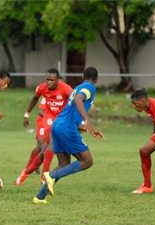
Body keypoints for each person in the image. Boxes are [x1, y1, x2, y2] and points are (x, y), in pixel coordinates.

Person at [32, 67, 105, 204]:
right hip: (67, 129)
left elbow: (72, 112)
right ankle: (51, 175)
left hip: (58, 125)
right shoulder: (90, 87)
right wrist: (87, 118)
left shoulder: (77, 87)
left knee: (64, 163)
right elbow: (78, 99)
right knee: (87, 161)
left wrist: (89, 129)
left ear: (82, 77)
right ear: (96, 80)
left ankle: (39, 197)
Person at [16, 69, 72, 186]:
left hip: (62, 119)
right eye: (47, 80)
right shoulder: (42, 88)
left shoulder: (66, 89)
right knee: (52, 140)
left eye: (52, 80)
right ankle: (44, 175)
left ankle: (26, 172)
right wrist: (27, 114)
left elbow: (76, 100)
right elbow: (35, 98)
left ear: (58, 80)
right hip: (49, 117)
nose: (49, 82)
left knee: (44, 151)